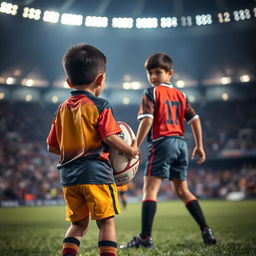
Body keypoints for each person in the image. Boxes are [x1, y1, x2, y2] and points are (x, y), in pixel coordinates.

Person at [46, 43, 138, 256]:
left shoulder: (61, 109)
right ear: (100, 79)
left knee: (78, 225)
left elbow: (51, 146)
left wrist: (74, 145)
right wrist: (130, 150)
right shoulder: (101, 105)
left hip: (69, 178)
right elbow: (109, 137)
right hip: (96, 174)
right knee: (106, 222)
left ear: (68, 81)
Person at [120, 53, 217, 249]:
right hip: (181, 144)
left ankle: (145, 238)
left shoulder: (151, 93)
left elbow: (147, 120)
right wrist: (199, 145)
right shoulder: (181, 95)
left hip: (162, 143)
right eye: (150, 73)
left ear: (169, 73)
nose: (153, 77)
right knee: (182, 190)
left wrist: (135, 146)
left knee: (150, 189)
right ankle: (206, 230)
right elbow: (195, 119)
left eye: (158, 72)